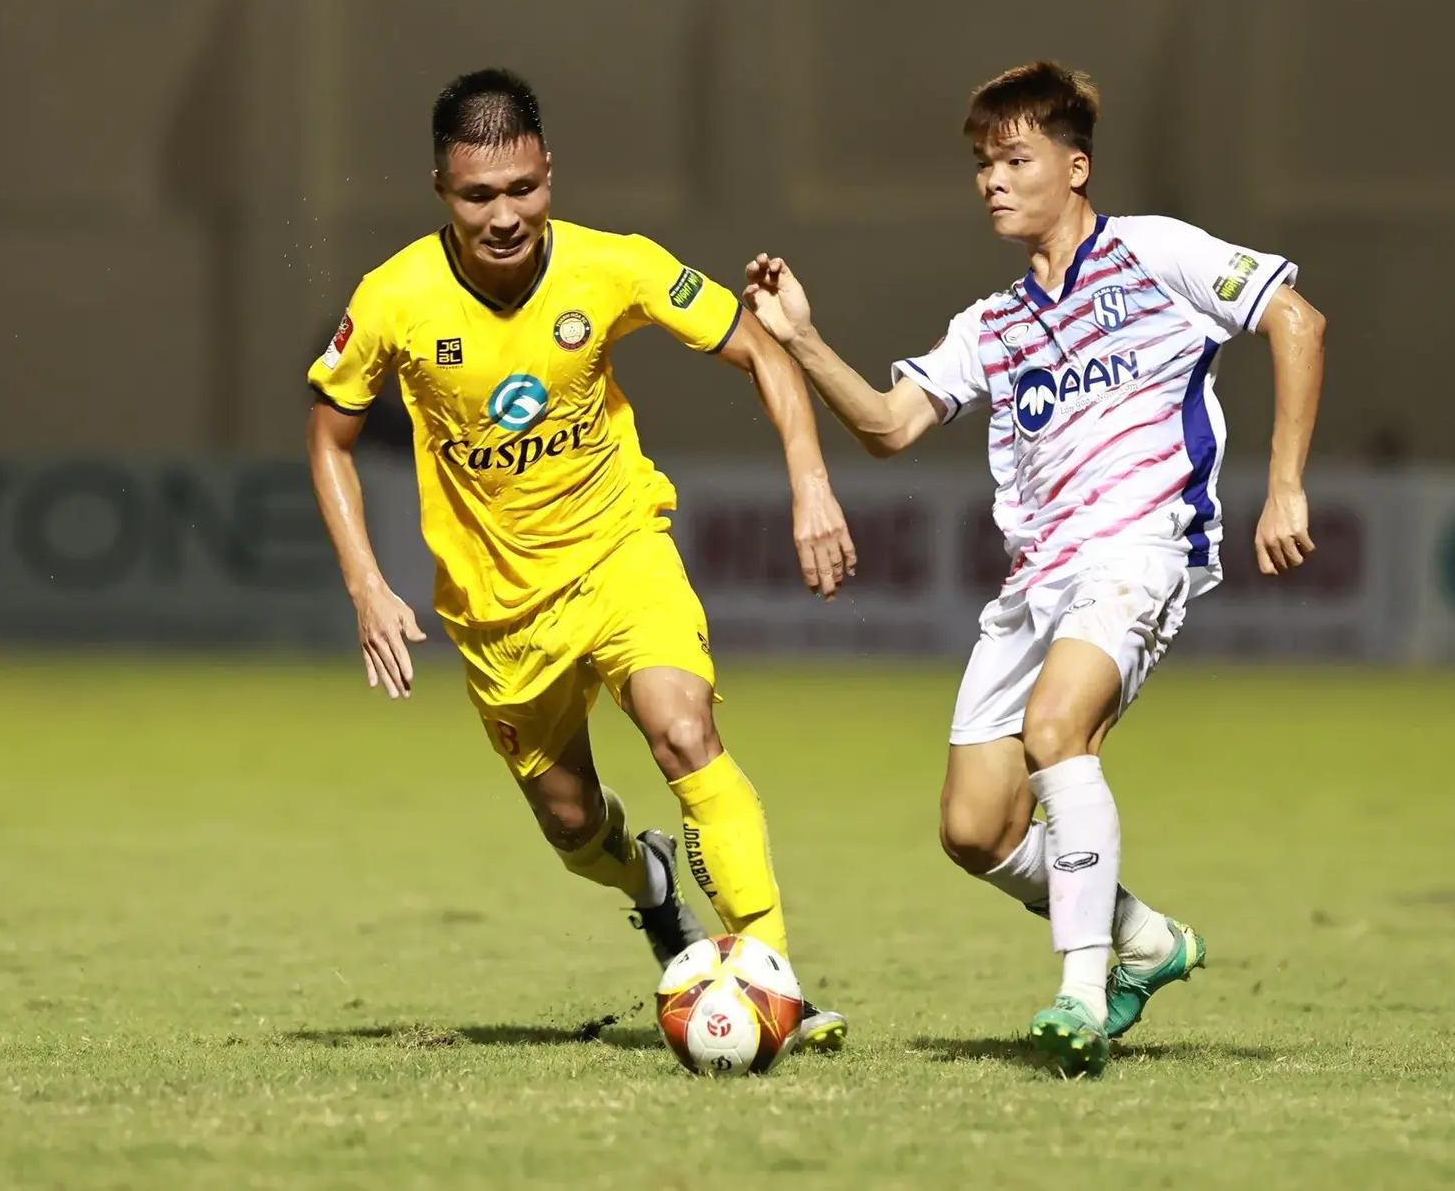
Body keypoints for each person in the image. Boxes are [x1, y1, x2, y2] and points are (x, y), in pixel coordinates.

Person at [740, 61, 1326, 1076]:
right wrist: (803, 339)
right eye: (981, 163)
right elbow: (887, 426)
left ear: (1076, 164)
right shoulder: (995, 324)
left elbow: (1296, 320)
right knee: (973, 829)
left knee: (1061, 730)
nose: (993, 181)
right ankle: (1145, 941)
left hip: (1142, 552)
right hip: (1034, 584)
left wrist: (1285, 487)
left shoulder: (1152, 253)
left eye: (1015, 159)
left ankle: (1081, 995)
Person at [305, 68, 855, 1047]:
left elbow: (762, 347)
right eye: (479, 195)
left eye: (523, 188)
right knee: (570, 828)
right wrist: (366, 584)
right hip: (498, 614)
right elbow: (329, 433)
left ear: (549, 173)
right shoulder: (394, 299)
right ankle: (648, 883)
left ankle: (776, 987)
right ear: (442, 190)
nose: (506, 214)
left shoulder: (615, 266)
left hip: (619, 555)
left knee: (683, 730)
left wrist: (810, 481)